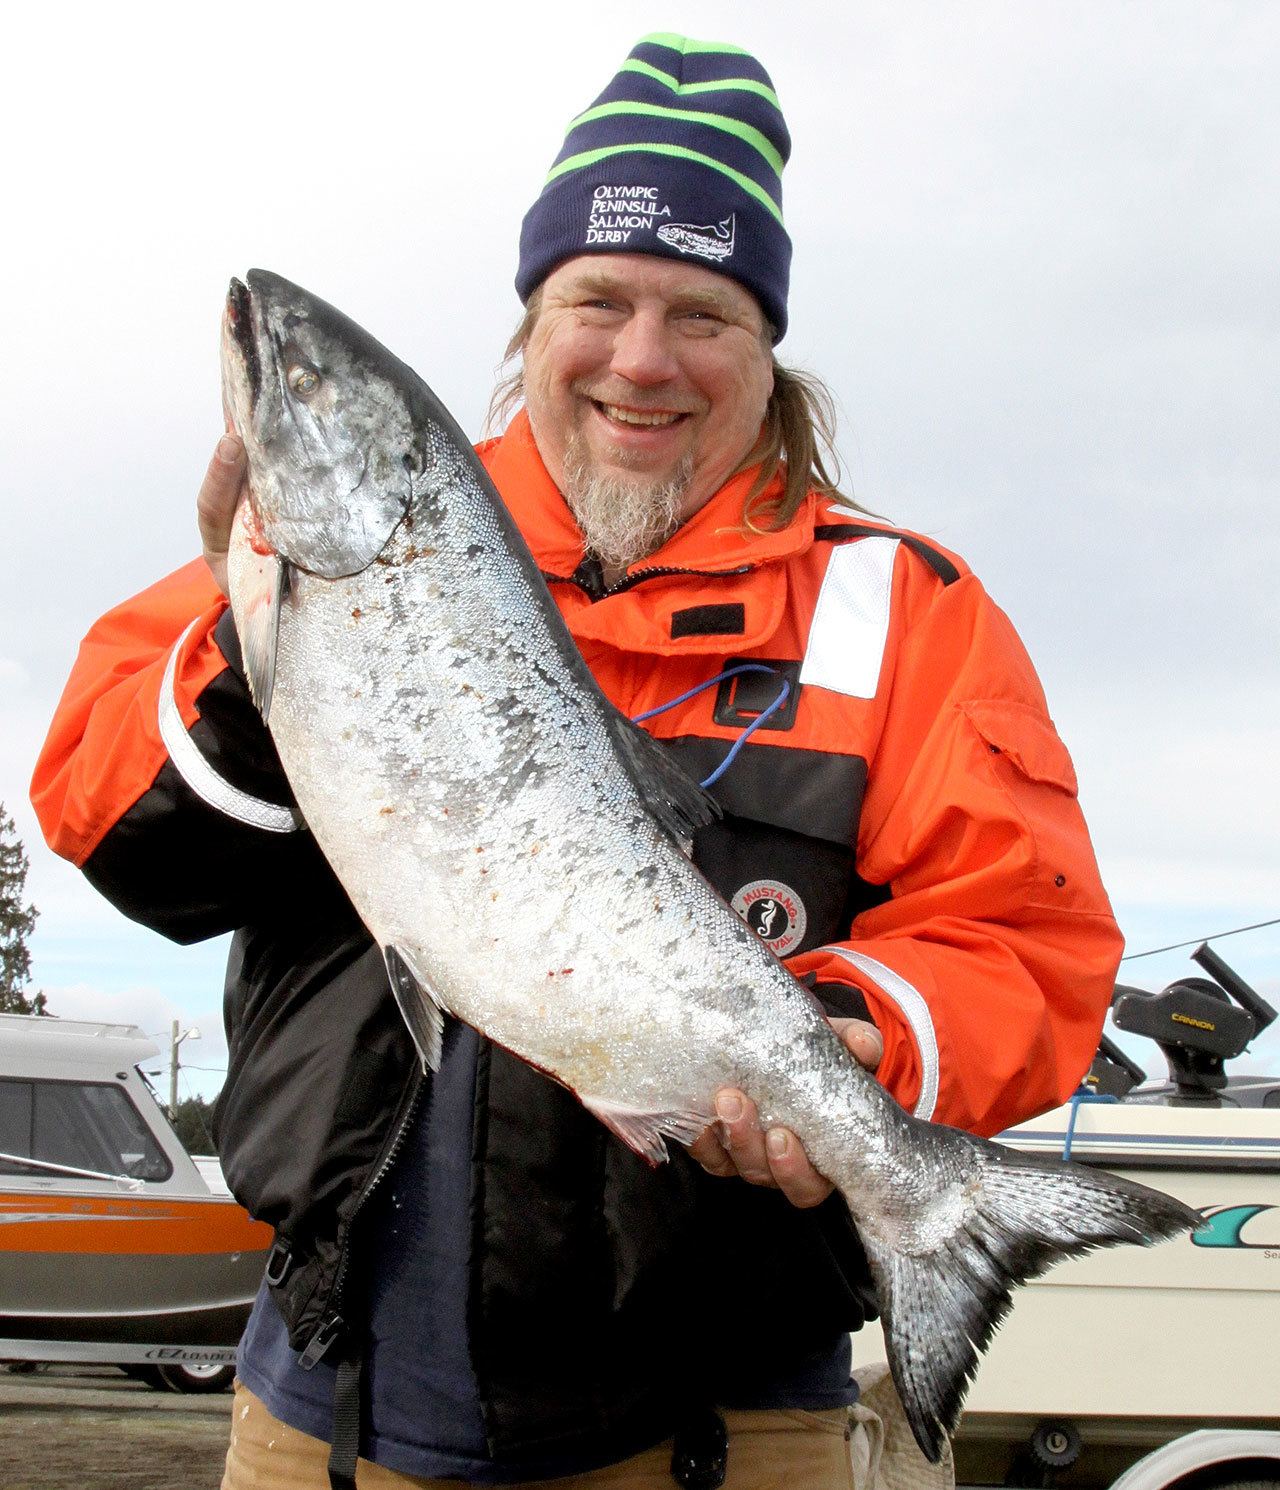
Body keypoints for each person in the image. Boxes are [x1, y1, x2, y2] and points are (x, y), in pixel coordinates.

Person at [31, 33, 1123, 1490]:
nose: (642, 358)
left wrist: (865, 1044)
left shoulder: (905, 615)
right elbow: (112, 831)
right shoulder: (369, 539)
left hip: (725, 1438)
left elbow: (1029, 937)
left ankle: (938, 1221)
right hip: (324, 1423)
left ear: (768, 341)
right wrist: (246, 642)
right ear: (531, 320)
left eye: (703, 313)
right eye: (596, 300)